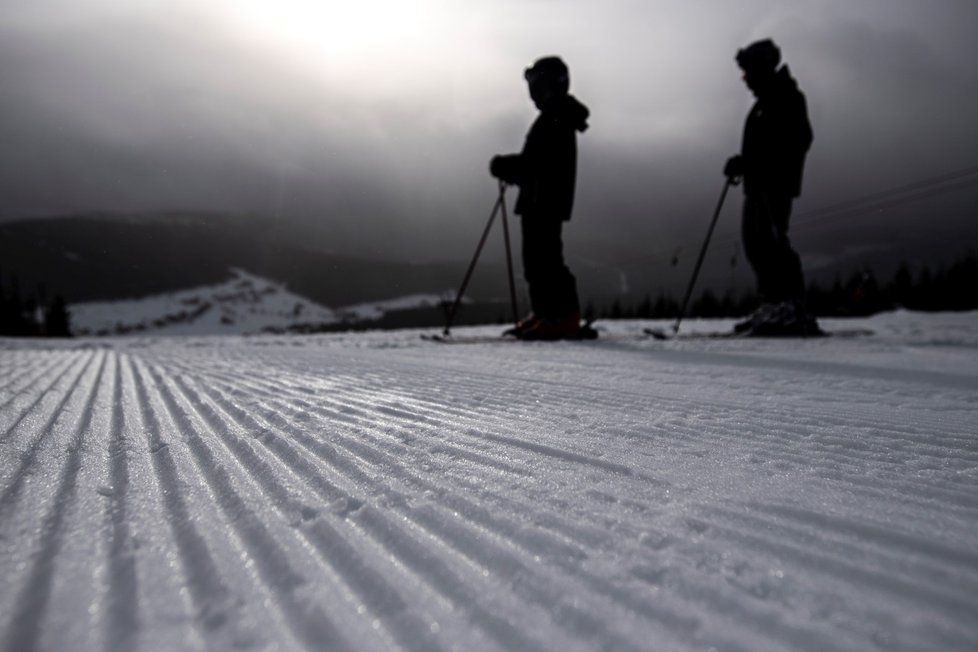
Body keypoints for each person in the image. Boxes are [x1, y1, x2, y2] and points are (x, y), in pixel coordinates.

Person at [490, 56, 590, 340]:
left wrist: (505, 166)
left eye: (535, 82)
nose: (531, 90)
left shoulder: (555, 116)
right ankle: (547, 314)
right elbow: (539, 163)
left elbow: (539, 164)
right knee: (537, 260)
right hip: (540, 197)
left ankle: (563, 318)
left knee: (546, 259)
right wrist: (513, 168)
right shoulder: (556, 114)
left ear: (548, 84)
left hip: (544, 198)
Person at [724, 39, 820, 335]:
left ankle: (790, 307)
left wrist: (760, 163)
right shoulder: (765, 101)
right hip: (757, 184)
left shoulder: (787, 96)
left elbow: (800, 138)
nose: (744, 80)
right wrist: (743, 162)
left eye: (747, 73)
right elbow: (762, 146)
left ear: (760, 69)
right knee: (755, 242)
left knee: (771, 242)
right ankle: (773, 305)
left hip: (774, 185)